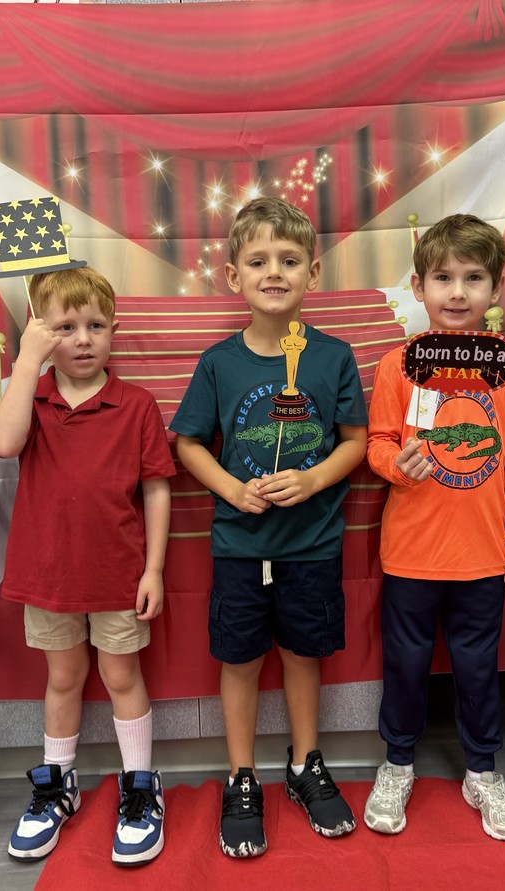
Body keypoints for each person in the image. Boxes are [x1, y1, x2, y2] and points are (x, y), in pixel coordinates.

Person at [171, 197, 368, 858]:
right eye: (258, 261)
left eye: (288, 260)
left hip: (312, 543)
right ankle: (241, 774)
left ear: (313, 271)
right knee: (241, 658)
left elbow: (355, 441)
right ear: (234, 276)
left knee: (303, 653)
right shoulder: (219, 362)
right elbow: (188, 443)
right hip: (239, 544)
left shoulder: (333, 356)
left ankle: (306, 762)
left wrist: (312, 480)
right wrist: (231, 487)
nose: (273, 272)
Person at [0, 266, 174, 866]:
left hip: (119, 574)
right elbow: (4, 443)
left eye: (95, 325)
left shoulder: (137, 404)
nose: (83, 338)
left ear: (113, 329)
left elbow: (156, 490)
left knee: (122, 678)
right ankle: (57, 785)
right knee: (63, 680)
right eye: (64, 327)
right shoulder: (33, 398)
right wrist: (27, 359)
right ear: (40, 332)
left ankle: (141, 787)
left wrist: (153, 570)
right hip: (48, 574)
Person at [364, 213, 505, 842]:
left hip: (483, 552)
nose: (457, 292)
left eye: (473, 278)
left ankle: (482, 770)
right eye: (443, 277)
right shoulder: (397, 366)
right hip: (410, 549)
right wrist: (396, 466)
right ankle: (397, 763)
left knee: (477, 666)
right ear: (418, 287)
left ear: (495, 290)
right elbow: (379, 443)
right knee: (405, 664)